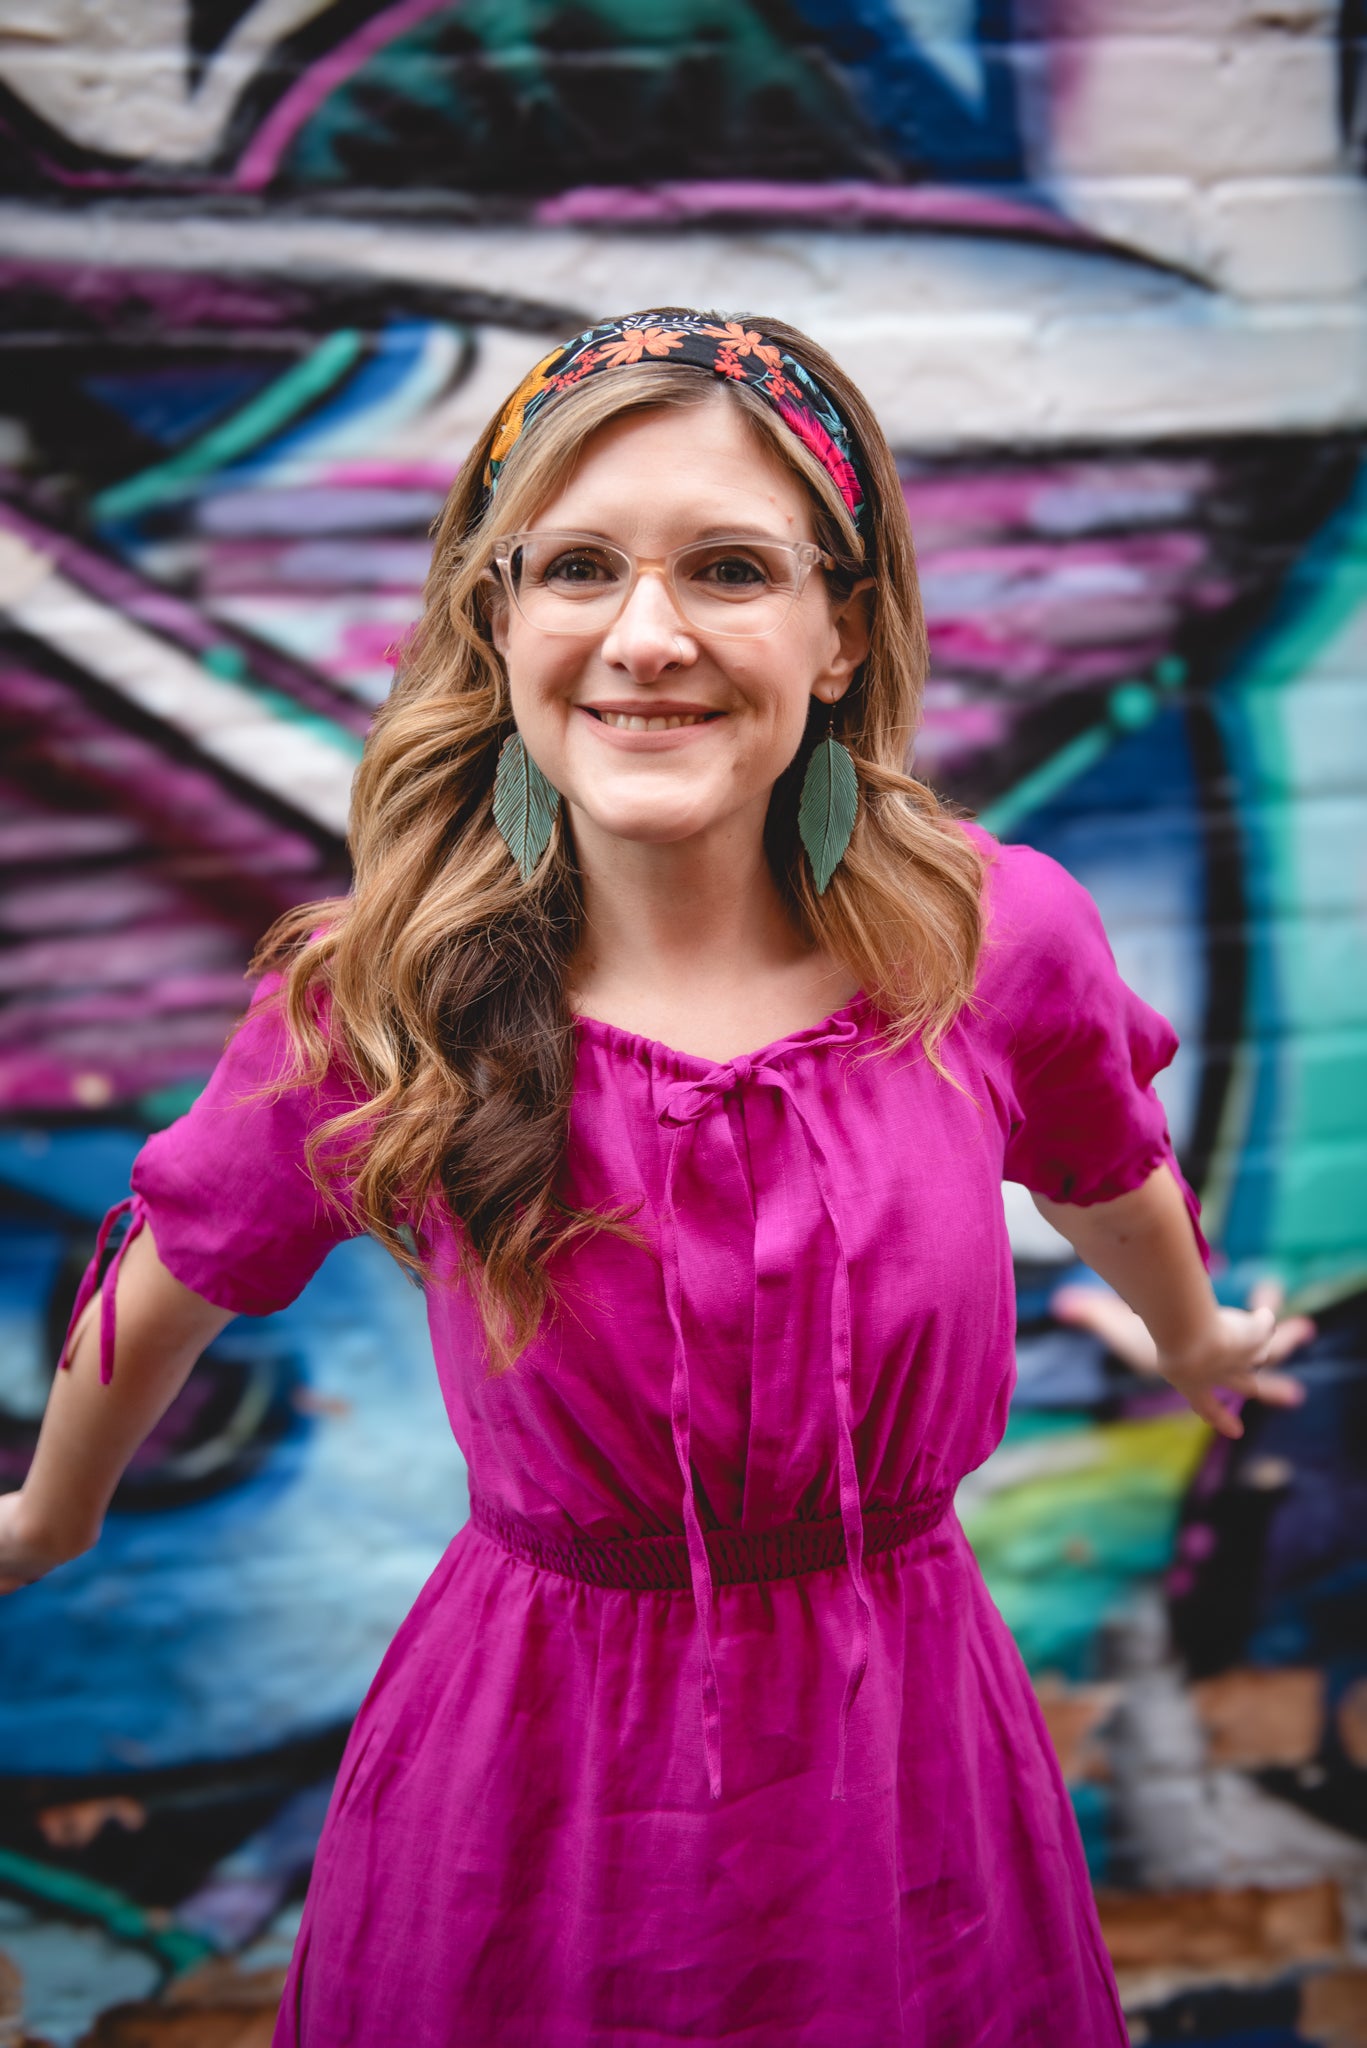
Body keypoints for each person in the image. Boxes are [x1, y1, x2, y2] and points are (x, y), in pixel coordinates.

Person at [0, 310, 1310, 2046]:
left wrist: (1199, 1335)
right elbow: (186, 1255)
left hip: (902, 1765)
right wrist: (52, 1513)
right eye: (580, 569)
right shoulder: (384, 989)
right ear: (500, 616)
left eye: (731, 570)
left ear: (842, 631)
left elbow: (1105, 1159)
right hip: (534, 1783)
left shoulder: (997, 941)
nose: (646, 636)